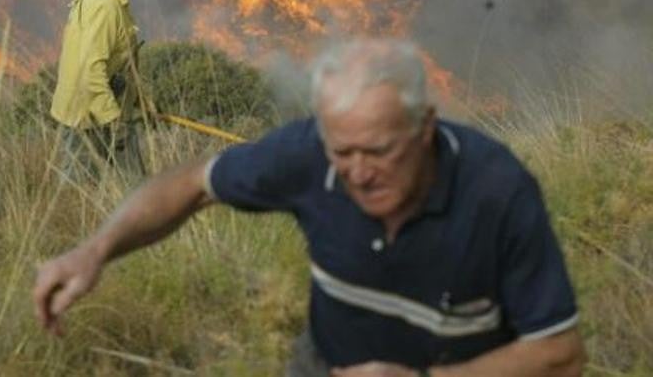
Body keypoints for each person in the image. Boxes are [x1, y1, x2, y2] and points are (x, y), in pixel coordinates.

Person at [34, 38, 585, 376]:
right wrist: (96, 249)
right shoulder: (307, 154)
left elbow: (559, 353)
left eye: (379, 150)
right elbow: (191, 184)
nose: (360, 171)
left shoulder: (496, 191)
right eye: (342, 151)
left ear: (425, 129)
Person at [49, 0, 150, 180]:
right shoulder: (105, 4)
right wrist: (113, 120)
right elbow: (91, 69)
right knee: (79, 190)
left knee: (133, 186)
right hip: (88, 112)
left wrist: (139, 100)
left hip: (104, 105)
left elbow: (119, 60)